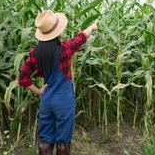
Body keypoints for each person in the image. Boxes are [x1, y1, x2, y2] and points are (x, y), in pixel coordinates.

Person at [18, 10, 97, 155]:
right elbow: (81, 38)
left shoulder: (35, 54)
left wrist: (40, 91)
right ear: (57, 32)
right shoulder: (65, 49)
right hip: (63, 101)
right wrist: (92, 27)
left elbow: (22, 78)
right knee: (63, 143)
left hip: (46, 101)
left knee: (45, 142)